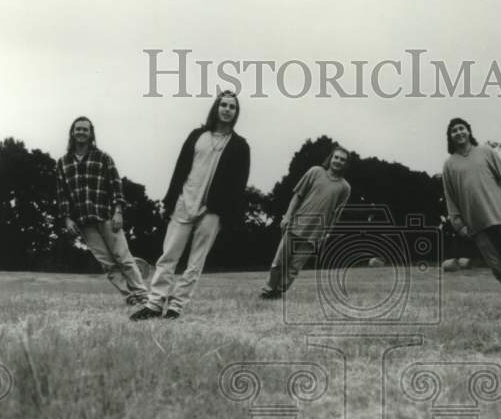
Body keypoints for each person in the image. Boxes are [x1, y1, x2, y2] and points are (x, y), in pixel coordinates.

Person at [131, 91, 250, 320]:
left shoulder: (240, 146)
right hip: (184, 203)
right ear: (216, 108)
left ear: (236, 113)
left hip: (212, 211)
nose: (227, 109)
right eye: (223, 104)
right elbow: (179, 169)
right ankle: (154, 304)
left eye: (232, 107)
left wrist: (226, 213)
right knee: (168, 256)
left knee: (196, 262)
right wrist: (171, 200)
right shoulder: (197, 135)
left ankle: (176, 307)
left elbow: (239, 185)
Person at [441, 118, 501, 305]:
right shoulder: (449, 165)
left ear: (469, 131)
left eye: (462, 128)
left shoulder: (486, 152)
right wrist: (459, 224)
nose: (459, 132)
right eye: (454, 131)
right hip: (475, 224)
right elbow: (450, 197)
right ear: (450, 137)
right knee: (498, 266)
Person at [56, 116, 148, 305]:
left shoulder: (103, 158)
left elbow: (116, 185)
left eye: (85, 129)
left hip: (106, 216)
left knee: (123, 258)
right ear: (72, 133)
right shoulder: (63, 162)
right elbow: (62, 193)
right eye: (78, 129)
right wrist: (67, 218)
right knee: (108, 264)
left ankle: (143, 296)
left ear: (91, 134)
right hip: (84, 221)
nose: (81, 132)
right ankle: (130, 297)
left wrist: (118, 211)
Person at [260, 145, 351, 299]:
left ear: (345, 164)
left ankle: (278, 292)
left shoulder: (345, 187)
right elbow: (297, 195)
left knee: (294, 267)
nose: (338, 161)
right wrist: (287, 216)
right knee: (278, 262)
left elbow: (337, 214)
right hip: (296, 224)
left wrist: (327, 233)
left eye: (342, 160)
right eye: (336, 157)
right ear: (330, 158)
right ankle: (267, 290)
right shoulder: (315, 171)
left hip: (315, 233)